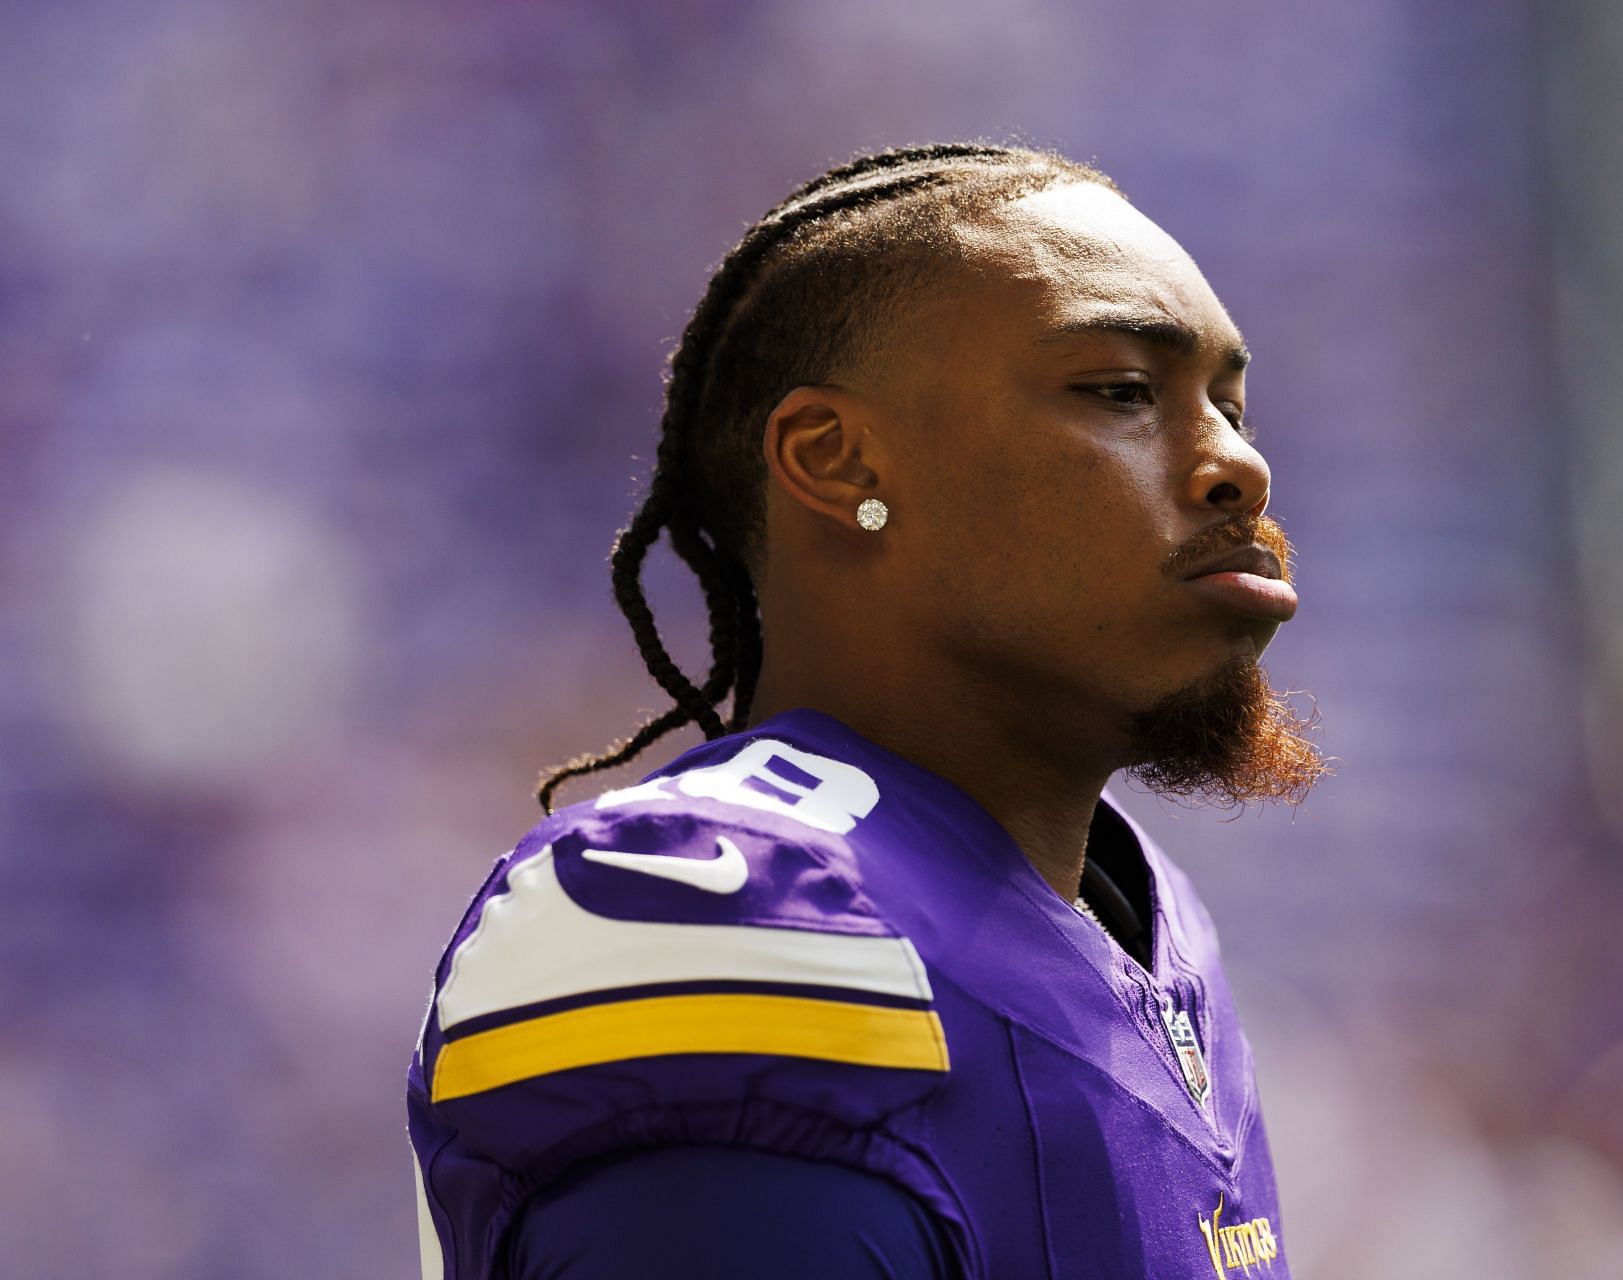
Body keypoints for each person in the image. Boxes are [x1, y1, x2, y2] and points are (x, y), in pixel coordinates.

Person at [406, 142, 1324, 1279]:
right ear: (835, 460)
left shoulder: (1145, 918)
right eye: (1122, 391)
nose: (1238, 464)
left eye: (1230, 404)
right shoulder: (730, 909)